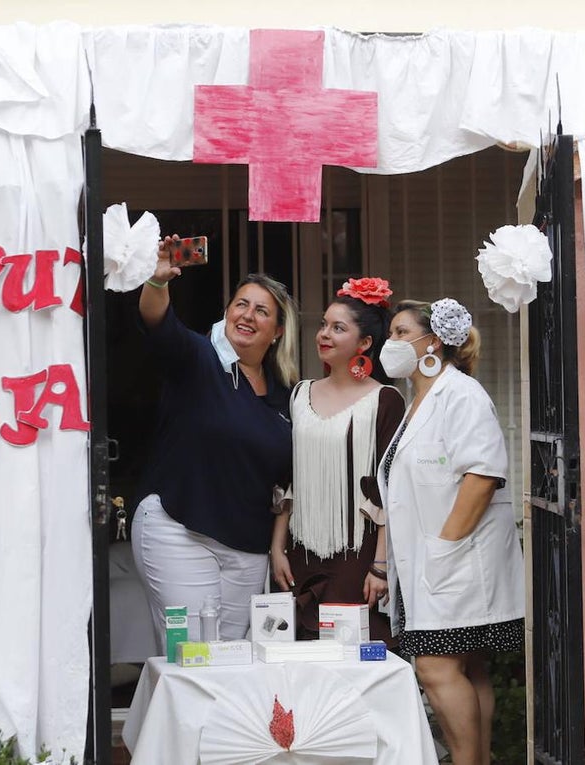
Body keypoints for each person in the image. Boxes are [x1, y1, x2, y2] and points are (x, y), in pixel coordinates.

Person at [130, 235, 299, 653]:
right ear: (226, 314)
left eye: (262, 311)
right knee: (191, 657)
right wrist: (157, 281)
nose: (248, 315)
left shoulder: (285, 394)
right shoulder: (201, 359)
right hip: (178, 527)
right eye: (241, 304)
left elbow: (285, 484)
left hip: (247, 547)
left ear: (276, 332)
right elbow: (158, 323)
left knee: (234, 661)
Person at [376, 297, 524, 765]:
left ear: (432, 341)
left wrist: (443, 548)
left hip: (457, 559)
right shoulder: (420, 399)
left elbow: (482, 476)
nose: (391, 342)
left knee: (436, 666)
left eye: (401, 333)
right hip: (443, 560)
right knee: (466, 666)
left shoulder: (459, 394)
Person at [269, 277, 405, 643]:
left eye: (338, 328)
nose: (324, 334)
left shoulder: (386, 401)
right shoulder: (300, 394)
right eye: (324, 325)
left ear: (364, 343)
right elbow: (289, 479)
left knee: (358, 657)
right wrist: (277, 548)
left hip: (358, 555)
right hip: (301, 551)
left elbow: (388, 489)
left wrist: (380, 566)